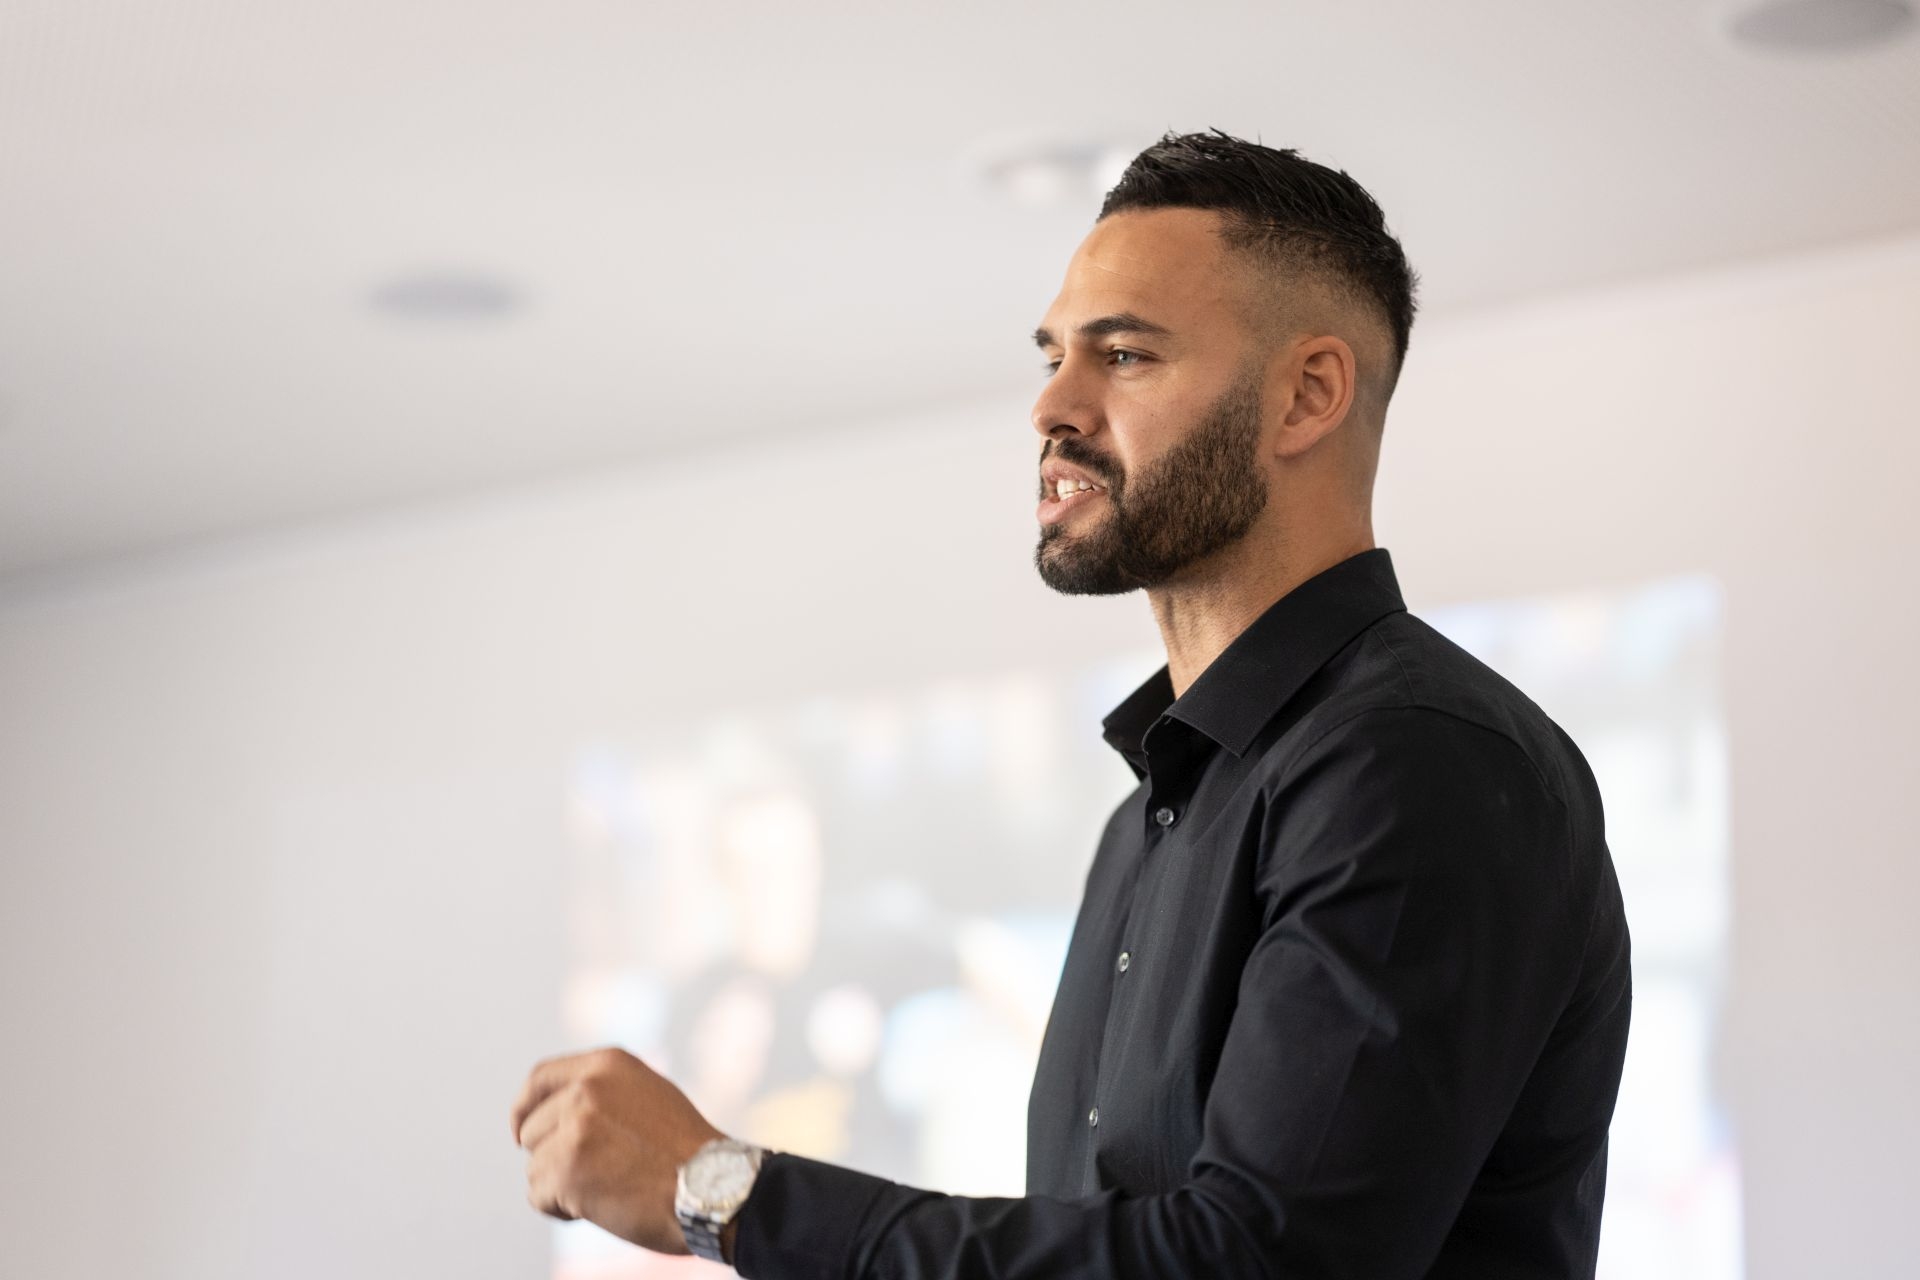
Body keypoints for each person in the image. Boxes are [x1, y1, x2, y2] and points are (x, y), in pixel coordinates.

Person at [510, 129, 1632, 1279]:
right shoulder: (1145, 822)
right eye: (1054, 355)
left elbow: (1258, 1264)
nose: (1052, 403)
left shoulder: (1415, 759)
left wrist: (725, 1192)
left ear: (1306, 395)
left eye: (1126, 355)